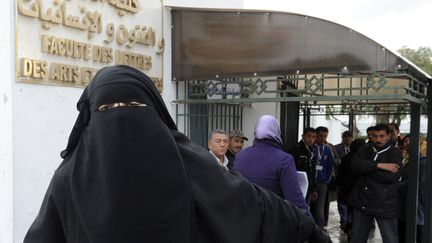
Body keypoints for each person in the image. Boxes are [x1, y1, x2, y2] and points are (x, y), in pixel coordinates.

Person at [24, 65, 331, 243]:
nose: (122, 119)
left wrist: (312, 233)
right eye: (107, 109)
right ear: (91, 117)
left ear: (155, 113)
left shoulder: (189, 164)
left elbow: (255, 206)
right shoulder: (69, 180)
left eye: (133, 107)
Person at [234, 115, 310, 213]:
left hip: (246, 218)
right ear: (277, 132)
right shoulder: (284, 159)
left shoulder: (241, 156)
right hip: (272, 219)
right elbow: (294, 199)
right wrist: (310, 223)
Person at [348, 123, 403, 243]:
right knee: (357, 238)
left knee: (390, 239)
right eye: (375, 136)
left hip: (385, 204)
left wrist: (366, 170)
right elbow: (354, 166)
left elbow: (391, 176)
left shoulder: (395, 153)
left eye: (382, 136)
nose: (378, 139)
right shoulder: (365, 149)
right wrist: (379, 165)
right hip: (362, 202)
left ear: (389, 136)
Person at [335, 138, 366, 238]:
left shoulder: (346, 158)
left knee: (346, 213)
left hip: (345, 190)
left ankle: (348, 228)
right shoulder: (364, 160)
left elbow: (340, 175)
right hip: (358, 192)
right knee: (355, 215)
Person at [398, 135, 426, 243]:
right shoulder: (405, 158)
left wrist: (396, 186)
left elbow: (416, 184)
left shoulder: (423, 161)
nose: (408, 143)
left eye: (411, 141)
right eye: (406, 141)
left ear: (420, 142)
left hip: (417, 210)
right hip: (403, 207)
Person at [312, 126, 334, 228]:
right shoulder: (311, 147)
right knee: (307, 206)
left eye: (325, 136)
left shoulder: (327, 150)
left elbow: (330, 166)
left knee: (319, 209)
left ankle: (319, 230)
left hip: (322, 183)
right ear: (316, 135)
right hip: (310, 182)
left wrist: (326, 179)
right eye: (321, 136)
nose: (323, 138)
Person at [288, 127, 318, 204]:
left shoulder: (313, 150)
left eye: (314, 137)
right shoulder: (295, 150)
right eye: (309, 136)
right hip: (298, 187)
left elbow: (312, 171)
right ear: (303, 136)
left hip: (308, 188)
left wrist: (313, 189)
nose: (311, 139)